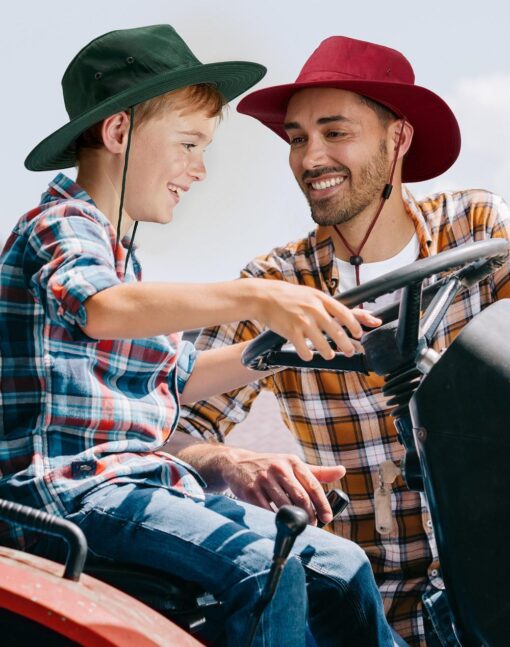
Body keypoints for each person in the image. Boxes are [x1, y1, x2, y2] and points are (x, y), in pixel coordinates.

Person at [0, 25, 397, 647]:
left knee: (345, 567)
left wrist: (292, 346)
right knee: (265, 567)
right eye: (188, 144)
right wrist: (258, 295)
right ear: (119, 133)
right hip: (69, 492)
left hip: (134, 487)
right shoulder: (61, 225)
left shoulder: (119, 258)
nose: (200, 170)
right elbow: (99, 308)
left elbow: (179, 376)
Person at [176, 36, 510, 645]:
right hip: (371, 605)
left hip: (497, 571)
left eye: (335, 132)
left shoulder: (477, 228)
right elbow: (174, 431)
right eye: (298, 138)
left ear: (398, 139)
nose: (311, 157)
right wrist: (228, 460)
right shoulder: (272, 285)